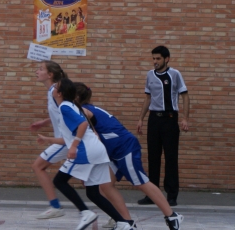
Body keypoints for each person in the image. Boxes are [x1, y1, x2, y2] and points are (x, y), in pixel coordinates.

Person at [74, 83, 184, 230]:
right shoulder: (86, 109)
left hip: (124, 147)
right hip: (113, 151)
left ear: (76, 97)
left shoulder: (84, 111)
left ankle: (172, 216)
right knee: (104, 185)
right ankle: (126, 222)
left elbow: (93, 135)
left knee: (140, 182)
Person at [37, 78, 133, 230]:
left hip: (86, 151)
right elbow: (69, 137)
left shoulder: (65, 107)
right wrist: (48, 139)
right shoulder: (72, 106)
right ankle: (123, 223)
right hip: (97, 151)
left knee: (60, 181)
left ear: (60, 93)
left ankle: (85, 213)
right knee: (93, 193)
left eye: (56, 87)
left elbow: (82, 125)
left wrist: (74, 147)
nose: (53, 88)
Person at [136, 46, 189, 206]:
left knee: (171, 158)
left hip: (170, 119)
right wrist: (141, 119)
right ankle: (152, 195)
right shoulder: (150, 75)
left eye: (158, 58)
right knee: (153, 157)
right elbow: (148, 98)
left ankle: (171, 195)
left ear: (167, 59)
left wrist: (185, 118)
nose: (155, 61)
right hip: (154, 119)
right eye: (153, 58)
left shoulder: (175, 74)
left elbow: (185, 96)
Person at [29, 60, 81, 219]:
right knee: (90, 180)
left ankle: (55, 206)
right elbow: (61, 113)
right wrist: (44, 122)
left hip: (65, 140)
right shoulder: (53, 91)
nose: (37, 71)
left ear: (50, 74)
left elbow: (68, 112)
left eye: (40, 69)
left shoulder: (55, 91)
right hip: (67, 140)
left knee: (38, 166)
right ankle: (112, 212)